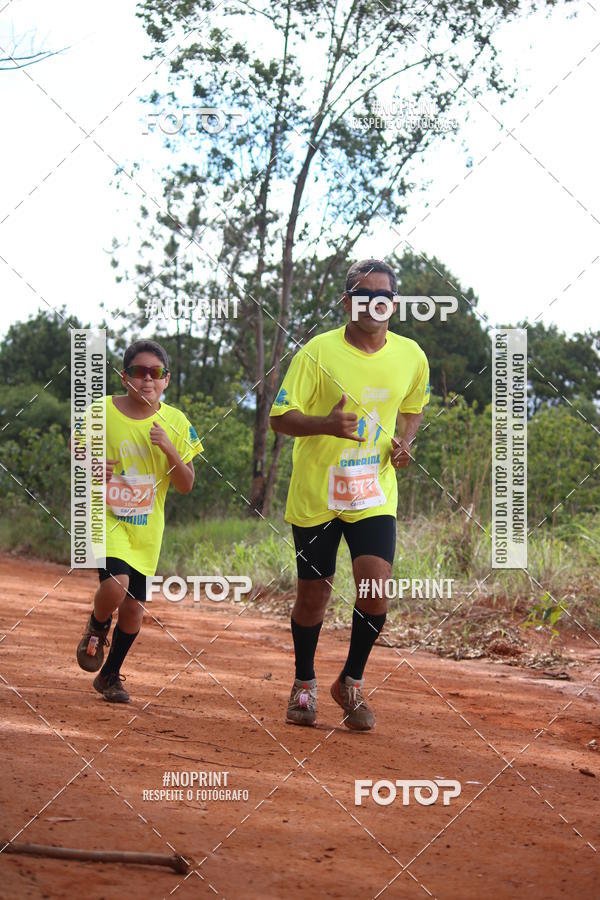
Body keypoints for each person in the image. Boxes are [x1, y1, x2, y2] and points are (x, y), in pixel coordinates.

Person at [270, 259, 430, 730]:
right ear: (347, 303)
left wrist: (406, 442)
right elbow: (279, 419)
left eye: (382, 296)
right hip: (317, 494)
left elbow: (413, 409)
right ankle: (304, 684)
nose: (373, 303)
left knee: (376, 588)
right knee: (314, 595)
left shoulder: (411, 356)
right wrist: (325, 425)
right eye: (363, 295)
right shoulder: (316, 353)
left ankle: (350, 682)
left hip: (374, 493)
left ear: (393, 305)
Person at [72, 339, 203, 703]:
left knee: (134, 609)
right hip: (107, 517)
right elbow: (76, 444)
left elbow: (186, 484)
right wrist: (92, 465)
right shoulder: (103, 410)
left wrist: (171, 449)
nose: (147, 379)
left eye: (155, 373)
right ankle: (97, 625)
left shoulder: (175, 422)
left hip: (147, 527)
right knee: (116, 585)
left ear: (166, 380)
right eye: (138, 371)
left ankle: (110, 675)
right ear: (123, 376)